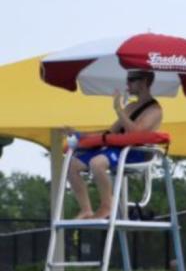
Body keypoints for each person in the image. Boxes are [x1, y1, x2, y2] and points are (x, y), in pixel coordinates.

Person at [62, 70, 162, 220]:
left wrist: (118, 109)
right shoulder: (130, 107)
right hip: (117, 149)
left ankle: (107, 207)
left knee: (97, 163)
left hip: (135, 152)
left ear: (145, 82)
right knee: (72, 164)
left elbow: (135, 133)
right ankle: (86, 209)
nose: (127, 84)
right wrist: (81, 133)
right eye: (127, 79)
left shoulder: (155, 110)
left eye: (132, 80)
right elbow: (109, 132)